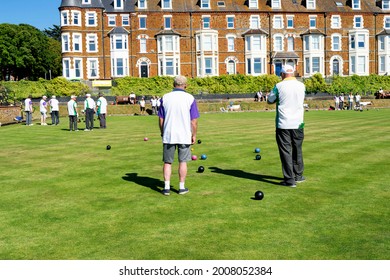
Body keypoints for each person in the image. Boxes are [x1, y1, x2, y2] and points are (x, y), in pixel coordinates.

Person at [158, 75, 200, 196]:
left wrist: (162, 132)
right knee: (183, 162)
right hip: (184, 134)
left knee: (167, 162)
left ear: (173, 84)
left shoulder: (165, 97)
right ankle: (181, 187)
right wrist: (194, 134)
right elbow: (194, 121)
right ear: (185, 85)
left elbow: (161, 119)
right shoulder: (190, 98)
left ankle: (166, 188)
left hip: (169, 134)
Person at [267, 64, 305, 187]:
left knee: (286, 151)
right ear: (293, 73)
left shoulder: (279, 86)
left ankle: (289, 180)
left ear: (283, 74)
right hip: (298, 123)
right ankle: (298, 175)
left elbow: (270, 100)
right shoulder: (302, 85)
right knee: (297, 149)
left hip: (283, 123)